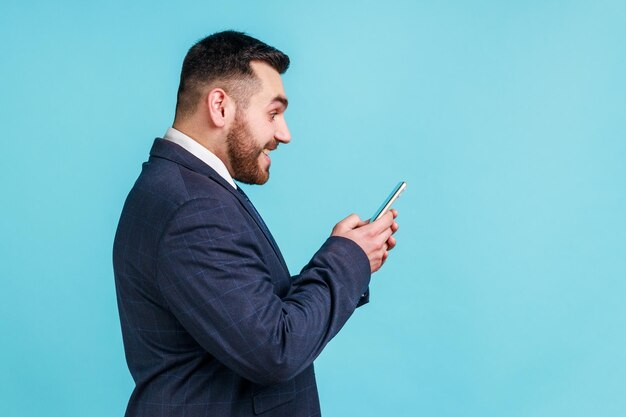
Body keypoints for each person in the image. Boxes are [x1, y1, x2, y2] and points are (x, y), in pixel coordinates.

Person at [113, 30, 399, 417]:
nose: (284, 134)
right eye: (273, 113)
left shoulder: (186, 189)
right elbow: (274, 350)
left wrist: (354, 259)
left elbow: (246, 313)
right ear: (220, 106)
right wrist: (347, 261)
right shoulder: (191, 208)